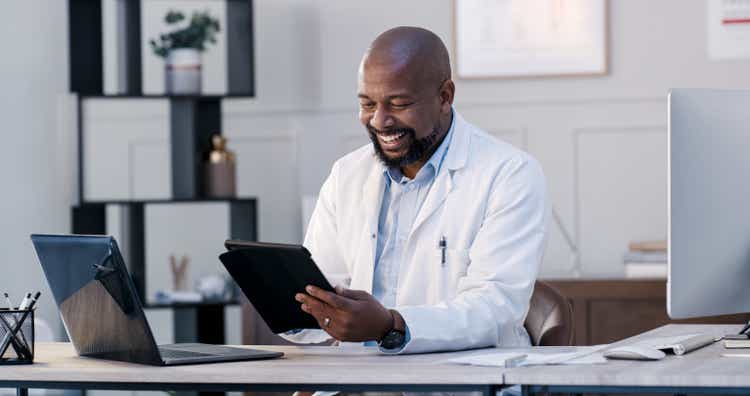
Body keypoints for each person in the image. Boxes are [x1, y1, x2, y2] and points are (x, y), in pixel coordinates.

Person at [284, 26, 548, 354]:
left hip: (463, 380)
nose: (380, 121)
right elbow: (319, 291)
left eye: (398, 104)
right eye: (367, 104)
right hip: (356, 377)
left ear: (445, 97)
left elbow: (495, 309)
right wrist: (302, 304)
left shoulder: (510, 174)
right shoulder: (346, 175)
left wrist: (390, 325)